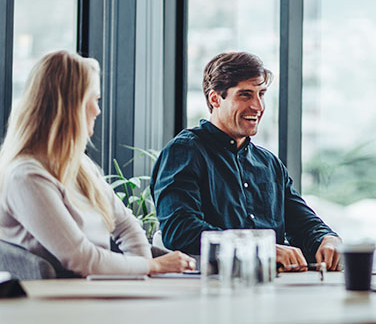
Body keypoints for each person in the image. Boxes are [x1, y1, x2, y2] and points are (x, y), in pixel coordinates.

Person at [0, 51, 194, 276]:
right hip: (56, 302)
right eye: (95, 99)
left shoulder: (79, 165)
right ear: (72, 106)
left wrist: (142, 273)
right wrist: (153, 266)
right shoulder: (26, 177)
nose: (98, 110)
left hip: (92, 290)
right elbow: (81, 258)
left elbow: (126, 225)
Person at [151, 51, 341, 270]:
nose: (258, 106)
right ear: (215, 99)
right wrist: (259, 248)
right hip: (209, 290)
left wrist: (327, 238)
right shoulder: (184, 152)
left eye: (261, 94)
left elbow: (303, 223)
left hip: (273, 289)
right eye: (245, 95)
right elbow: (180, 231)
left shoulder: (269, 163)